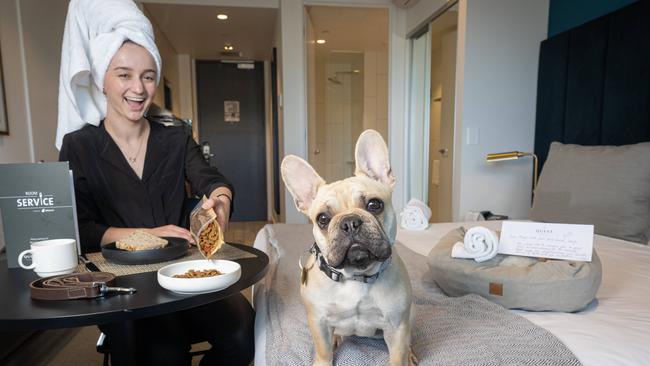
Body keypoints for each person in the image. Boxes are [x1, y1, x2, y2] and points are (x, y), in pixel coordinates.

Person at [58, 40, 254, 366]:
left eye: (148, 77)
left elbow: (212, 179)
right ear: (101, 81)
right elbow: (80, 227)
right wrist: (145, 235)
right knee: (165, 352)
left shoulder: (175, 138)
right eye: (124, 75)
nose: (138, 88)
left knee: (242, 334)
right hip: (121, 284)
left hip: (183, 271)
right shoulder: (79, 146)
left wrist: (221, 200)